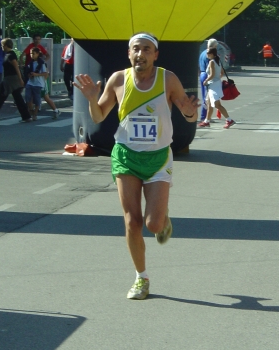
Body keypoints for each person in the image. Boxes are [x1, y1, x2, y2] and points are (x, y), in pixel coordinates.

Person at [74, 32, 199, 300]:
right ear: (129, 54)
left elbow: (188, 113)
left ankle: (162, 218)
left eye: (146, 49)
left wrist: (190, 111)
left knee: (152, 226)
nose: (140, 54)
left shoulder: (168, 79)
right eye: (135, 49)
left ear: (155, 54)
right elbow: (99, 115)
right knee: (133, 221)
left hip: (157, 158)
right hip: (126, 156)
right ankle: (141, 278)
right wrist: (92, 98)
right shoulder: (119, 79)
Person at [0, 38, 32, 123]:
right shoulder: (6, 54)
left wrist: (20, 79)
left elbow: (16, 67)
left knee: (2, 97)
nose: (2, 47)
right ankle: (26, 116)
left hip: (12, 79)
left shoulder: (11, 55)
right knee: (17, 98)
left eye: (2, 45)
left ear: (6, 45)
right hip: (9, 79)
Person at [198, 47, 235, 129]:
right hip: (216, 84)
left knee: (216, 105)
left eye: (208, 53)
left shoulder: (211, 62)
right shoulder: (218, 61)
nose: (207, 54)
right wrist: (217, 79)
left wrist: (206, 81)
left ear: (212, 54)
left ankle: (229, 120)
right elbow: (221, 73)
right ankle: (206, 121)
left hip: (213, 85)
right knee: (208, 103)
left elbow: (211, 74)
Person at [24, 47, 47, 121]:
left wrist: (36, 74)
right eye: (31, 54)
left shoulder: (41, 63)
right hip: (30, 82)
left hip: (38, 83)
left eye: (33, 54)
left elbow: (45, 73)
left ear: (37, 54)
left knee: (37, 100)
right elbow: (27, 71)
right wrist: (29, 74)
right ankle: (30, 111)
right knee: (28, 97)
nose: (32, 55)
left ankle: (35, 114)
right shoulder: (30, 63)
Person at [198, 38, 218, 121]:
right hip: (207, 75)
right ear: (213, 46)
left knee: (205, 96)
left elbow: (198, 65)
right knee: (207, 97)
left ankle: (206, 116)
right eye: (216, 46)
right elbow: (210, 67)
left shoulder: (202, 53)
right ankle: (204, 117)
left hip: (202, 74)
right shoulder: (209, 54)